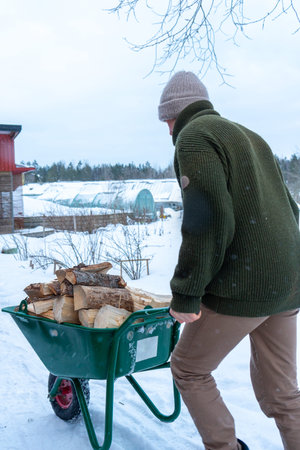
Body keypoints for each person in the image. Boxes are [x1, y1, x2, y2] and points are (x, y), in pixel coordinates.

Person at [158, 71, 300, 450]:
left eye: (166, 121)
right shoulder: (249, 136)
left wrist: (186, 294)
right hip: (287, 285)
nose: (167, 129)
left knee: (188, 368)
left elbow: (207, 221)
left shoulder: (194, 137)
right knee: (283, 394)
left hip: (246, 284)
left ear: (174, 115)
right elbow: (292, 210)